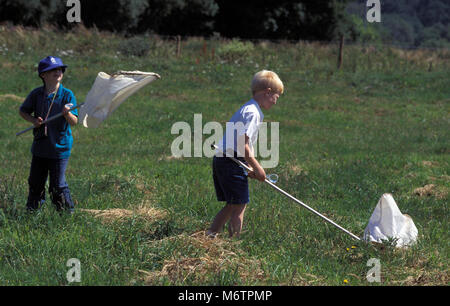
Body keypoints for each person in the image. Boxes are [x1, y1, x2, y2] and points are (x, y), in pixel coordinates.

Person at [207, 70, 284, 238]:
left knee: (232, 204)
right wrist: (258, 168)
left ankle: (210, 235)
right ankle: (234, 243)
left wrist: (248, 166)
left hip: (225, 159)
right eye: (276, 97)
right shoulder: (253, 113)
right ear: (267, 92)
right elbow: (243, 145)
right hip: (231, 161)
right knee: (240, 204)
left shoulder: (248, 109)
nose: (276, 102)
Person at [19, 56, 78, 214]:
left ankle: (66, 214)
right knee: (36, 182)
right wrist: (33, 120)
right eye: (53, 70)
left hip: (59, 148)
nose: (57, 72)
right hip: (40, 147)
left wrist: (67, 114)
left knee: (57, 185)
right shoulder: (37, 94)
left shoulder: (67, 95)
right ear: (43, 75)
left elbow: (74, 121)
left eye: (60, 69)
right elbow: (23, 111)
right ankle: (32, 213)